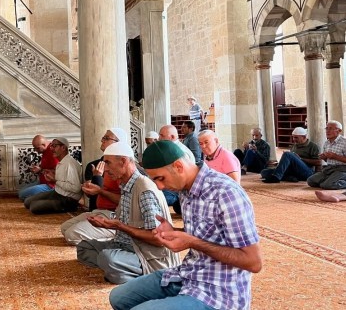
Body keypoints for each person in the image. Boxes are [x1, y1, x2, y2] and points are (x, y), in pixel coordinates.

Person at [109, 140, 262, 310]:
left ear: (178, 166)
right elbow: (207, 235)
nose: (159, 187)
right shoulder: (185, 190)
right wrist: (174, 232)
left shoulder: (225, 193)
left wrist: (191, 242)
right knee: (118, 297)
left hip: (219, 292)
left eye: (160, 178)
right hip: (188, 274)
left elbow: (253, 262)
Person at [76, 142, 180, 284]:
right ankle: (121, 271)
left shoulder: (144, 190)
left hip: (147, 253)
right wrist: (108, 224)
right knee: (84, 247)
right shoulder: (126, 185)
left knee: (108, 258)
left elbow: (158, 239)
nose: (105, 169)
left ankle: (135, 273)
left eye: (108, 163)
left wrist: (119, 226)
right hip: (123, 244)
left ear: (123, 161)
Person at [61, 128, 125, 245]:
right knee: (65, 229)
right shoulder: (96, 164)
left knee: (71, 235)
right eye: (103, 137)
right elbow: (92, 195)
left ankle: (119, 235)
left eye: (106, 138)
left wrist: (99, 185)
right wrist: (90, 187)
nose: (102, 140)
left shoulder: (121, 167)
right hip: (98, 210)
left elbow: (124, 200)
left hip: (113, 214)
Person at [24, 138, 82, 214]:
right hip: (57, 192)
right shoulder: (61, 162)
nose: (51, 149)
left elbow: (76, 188)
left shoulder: (69, 164)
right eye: (51, 146)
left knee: (33, 207)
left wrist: (55, 181)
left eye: (54, 146)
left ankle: (67, 208)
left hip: (68, 199)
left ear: (63, 148)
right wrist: (50, 173)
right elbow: (62, 179)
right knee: (27, 202)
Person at [158, 124, 196, 214]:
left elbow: (184, 179)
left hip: (179, 191)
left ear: (172, 137)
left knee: (157, 197)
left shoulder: (180, 152)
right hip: (172, 187)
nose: (159, 138)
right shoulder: (170, 149)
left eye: (162, 136)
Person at [18, 135, 60, 200]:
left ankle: (49, 196)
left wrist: (40, 170)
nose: (36, 150)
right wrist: (39, 169)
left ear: (43, 144)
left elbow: (57, 172)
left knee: (22, 195)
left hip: (50, 185)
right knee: (20, 192)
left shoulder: (52, 152)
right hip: (42, 181)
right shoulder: (46, 150)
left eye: (37, 148)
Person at [307, 120, 346, 189]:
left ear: (339, 131)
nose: (327, 131)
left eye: (330, 128)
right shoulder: (326, 143)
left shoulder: (344, 142)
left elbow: (335, 157)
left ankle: (333, 181)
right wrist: (324, 157)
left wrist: (335, 156)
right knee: (311, 181)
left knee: (327, 185)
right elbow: (328, 161)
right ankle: (331, 180)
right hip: (329, 168)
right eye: (327, 128)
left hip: (342, 169)